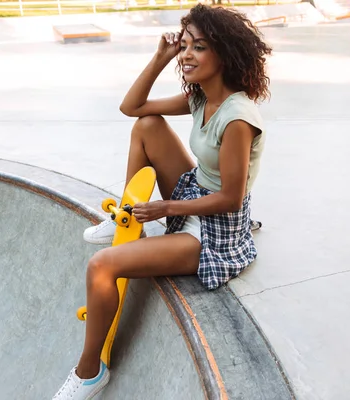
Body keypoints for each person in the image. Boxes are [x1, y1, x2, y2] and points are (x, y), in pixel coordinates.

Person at [52, 4, 272, 399]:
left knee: (102, 266)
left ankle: (89, 373)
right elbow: (132, 108)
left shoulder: (237, 118)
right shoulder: (201, 99)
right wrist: (159, 58)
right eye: (184, 45)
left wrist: (164, 209)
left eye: (199, 47)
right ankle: (125, 214)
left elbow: (231, 198)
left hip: (215, 229)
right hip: (193, 192)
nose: (187, 55)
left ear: (225, 54)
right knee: (147, 126)